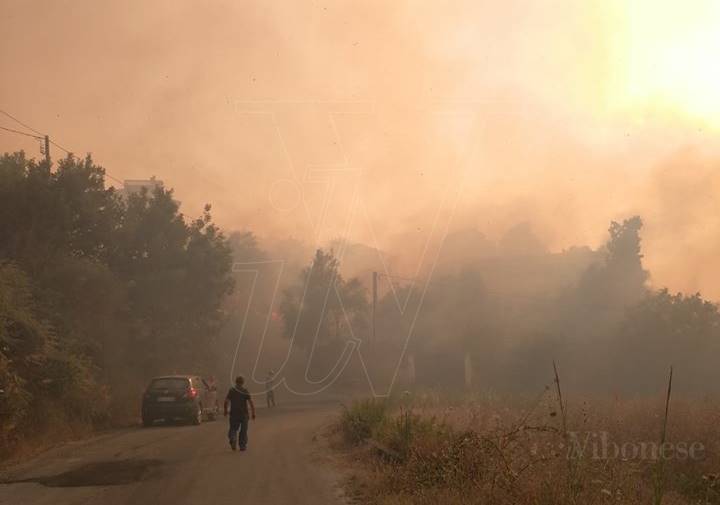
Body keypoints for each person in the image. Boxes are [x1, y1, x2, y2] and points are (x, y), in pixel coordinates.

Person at [224, 376, 256, 451]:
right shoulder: (244, 390)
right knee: (244, 430)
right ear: (243, 382)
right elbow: (251, 402)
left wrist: (225, 410)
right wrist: (253, 413)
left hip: (234, 413)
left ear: (236, 382)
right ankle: (242, 445)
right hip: (244, 414)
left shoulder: (231, 390)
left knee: (233, 428)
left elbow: (226, 401)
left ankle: (233, 438)